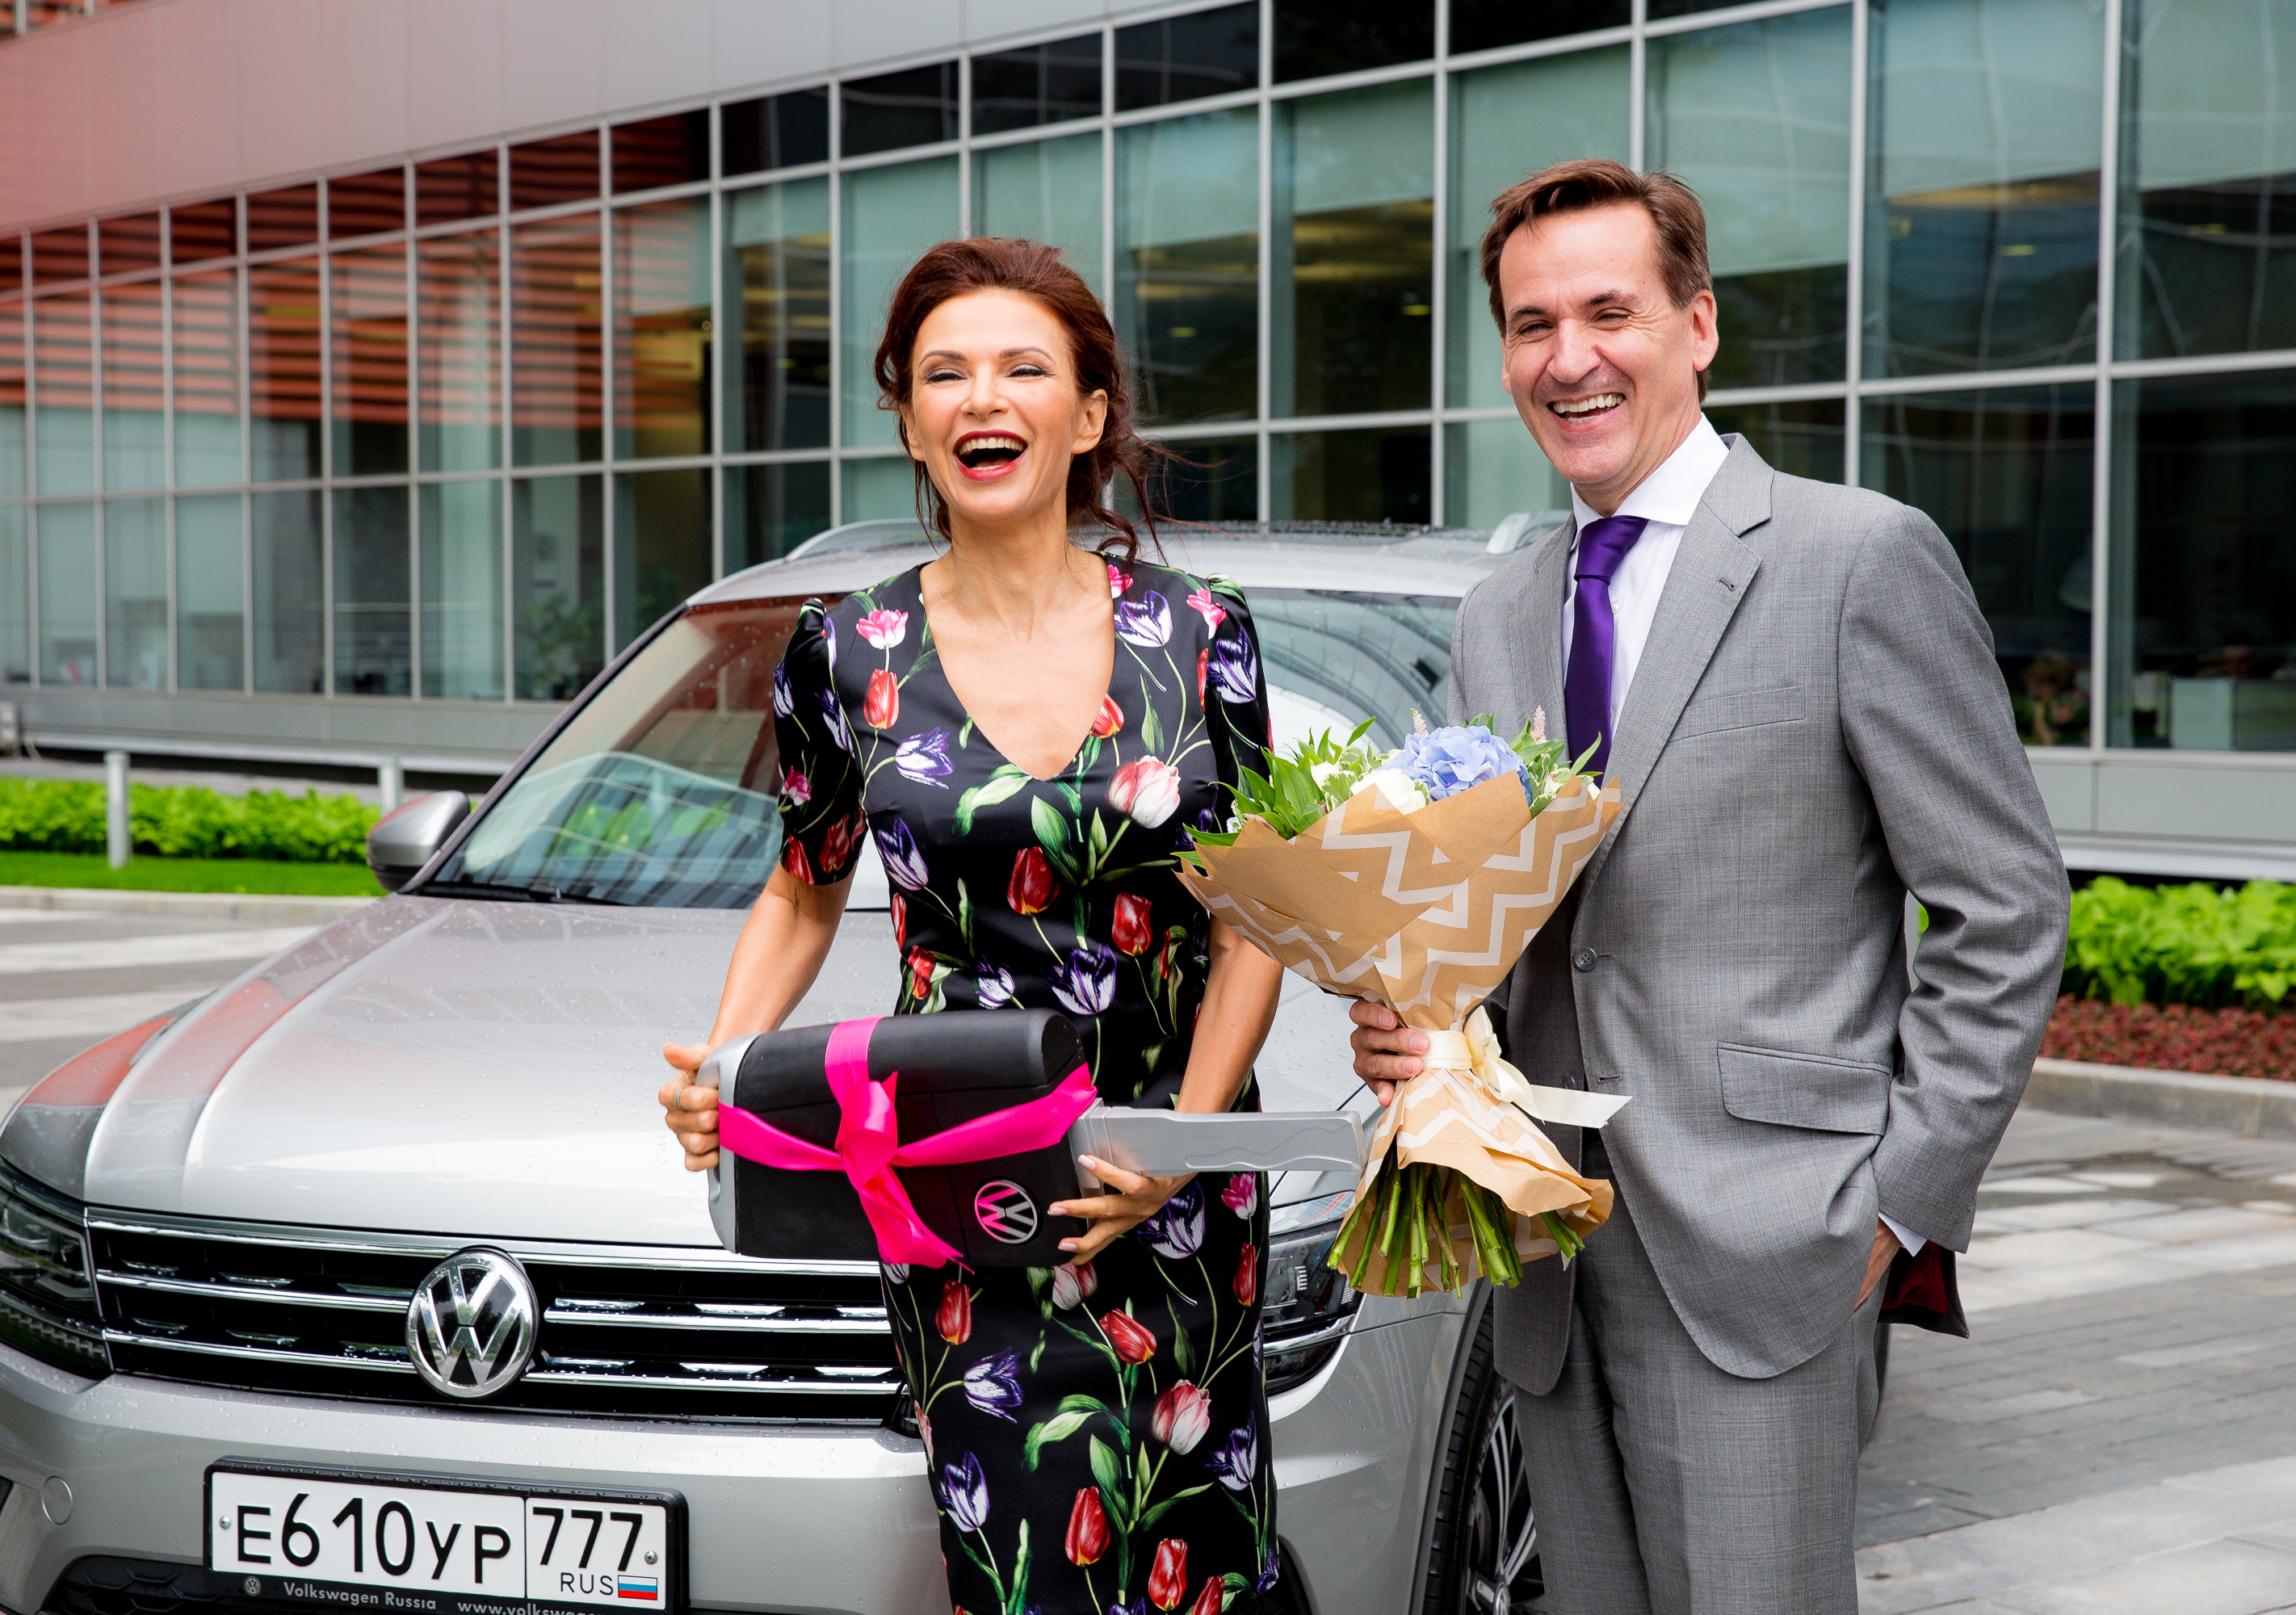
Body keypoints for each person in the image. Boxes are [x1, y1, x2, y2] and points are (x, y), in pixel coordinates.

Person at [1349, 160, 2069, 1613]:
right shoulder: (1498, 612)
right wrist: (1421, 1019)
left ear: (1699, 325)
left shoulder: (1855, 559)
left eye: (1609, 312)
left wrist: (1899, 1205)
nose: (1570, 359)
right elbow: (1506, 913)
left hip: (1772, 1248)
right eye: (1533, 325)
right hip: (1546, 1251)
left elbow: (2005, 906)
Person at [659, 237, 1286, 1614]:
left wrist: (1182, 1142)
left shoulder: (1201, 634)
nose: (982, 398)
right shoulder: (845, 649)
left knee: (1195, 1564)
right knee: (1016, 1569)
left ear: (1090, 415)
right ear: (909, 421)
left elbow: (1256, 918)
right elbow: (804, 884)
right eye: (944, 374)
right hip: (962, 1186)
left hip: (1175, 1194)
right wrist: (726, 1067)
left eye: (1022, 369)